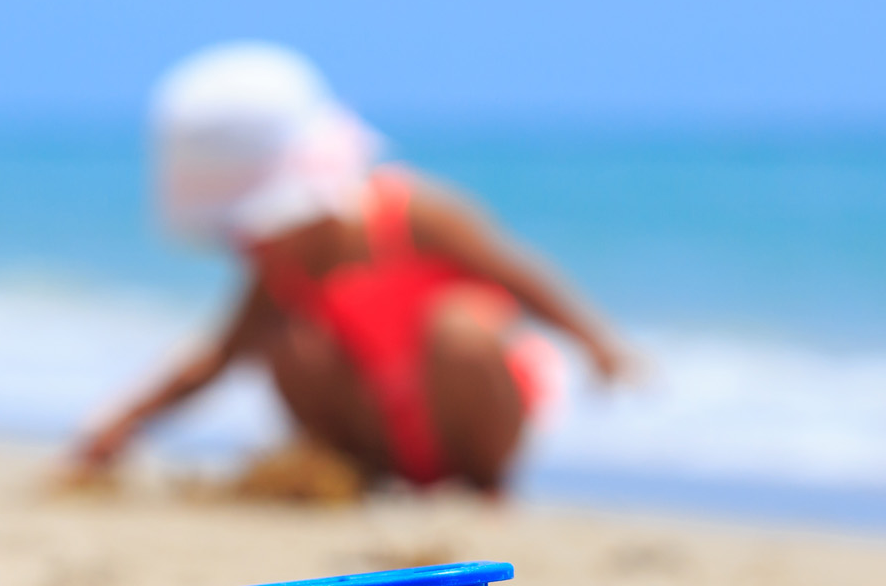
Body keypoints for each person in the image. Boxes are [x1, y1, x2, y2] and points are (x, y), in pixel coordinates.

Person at [70, 43, 631, 493]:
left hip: (470, 413)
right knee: (289, 343)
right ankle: (361, 476)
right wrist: (122, 424)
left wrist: (597, 344)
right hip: (376, 435)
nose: (246, 245)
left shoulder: (415, 215)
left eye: (254, 225)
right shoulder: (282, 274)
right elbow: (218, 356)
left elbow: (518, 276)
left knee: (463, 325)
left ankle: (483, 485)